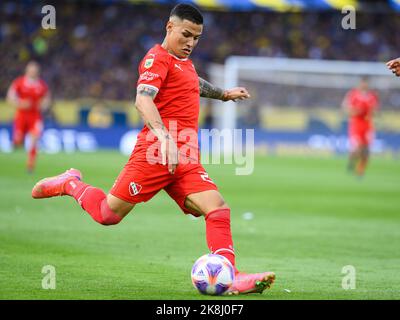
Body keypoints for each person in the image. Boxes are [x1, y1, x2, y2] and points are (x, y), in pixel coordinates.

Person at [31, 3, 275, 295]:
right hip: (156, 153)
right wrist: (165, 139)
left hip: (184, 155)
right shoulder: (155, 59)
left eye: (197, 38)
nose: (191, 43)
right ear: (169, 27)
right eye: (186, 35)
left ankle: (230, 275)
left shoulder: (182, 62)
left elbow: (190, 83)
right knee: (108, 214)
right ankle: (71, 183)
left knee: (218, 208)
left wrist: (222, 94)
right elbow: (143, 100)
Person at [6, 61, 51, 173]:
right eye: (31, 70)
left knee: (35, 138)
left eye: (35, 70)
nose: (33, 72)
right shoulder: (19, 82)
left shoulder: (41, 85)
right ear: (27, 71)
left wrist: (44, 105)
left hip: (35, 116)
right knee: (19, 140)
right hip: (21, 115)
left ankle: (30, 164)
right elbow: (10, 97)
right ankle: (16, 143)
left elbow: (47, 98)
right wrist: (20, 103)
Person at [341, 76, 379, 177]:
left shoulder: (372, 96)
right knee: (357, 149)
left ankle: (360, 170)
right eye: (363, 83)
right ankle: (351, 160)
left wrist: (372, 113)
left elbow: (375, 111)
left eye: (366, 83)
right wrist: (356, 111)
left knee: (366, 150)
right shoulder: (353, 94)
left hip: (367, 125)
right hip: (356, 125)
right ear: (360, 83)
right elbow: (346, 109)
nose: (364, 85)